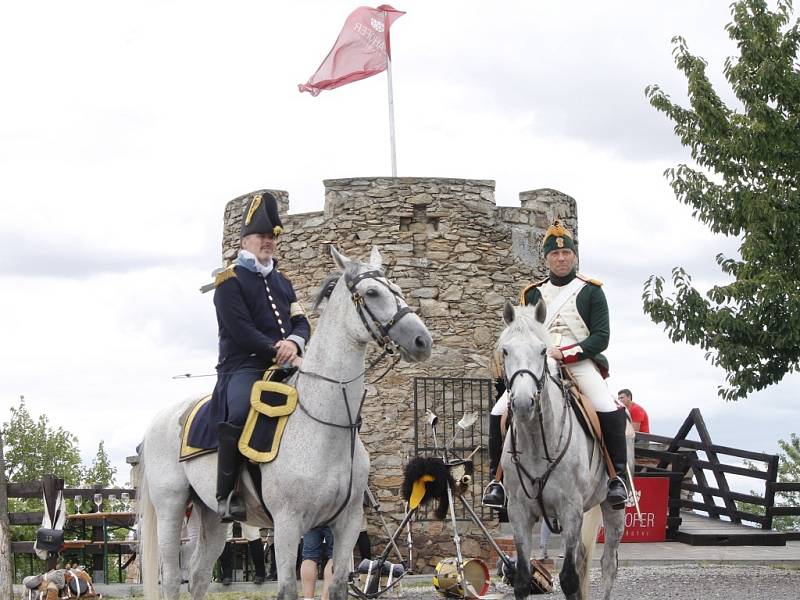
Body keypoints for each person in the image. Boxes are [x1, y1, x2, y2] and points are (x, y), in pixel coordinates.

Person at [482, 220, 629, 510]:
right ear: (546, 258)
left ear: (573, 256)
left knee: (607, 407)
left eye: (566, 254)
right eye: (554, 255)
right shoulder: (532, 293)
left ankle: (616, 477)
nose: (561, 259)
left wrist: (568, 353)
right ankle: (496, 480)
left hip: (581, 362)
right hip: (540, 362)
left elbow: (601, 337)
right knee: (499, 410)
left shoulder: (591, 291)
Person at [188, 191, 311, 522]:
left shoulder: (283, 282)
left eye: (272, 236)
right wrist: (278, 349)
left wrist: (296, 343)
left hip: (288, 364)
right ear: (244, 240)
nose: (268, 242)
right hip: (243, 367)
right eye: (261, 236)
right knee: (242, 410)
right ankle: (227, 493)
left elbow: (301, 321)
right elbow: (240, 330)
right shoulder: (228, 280)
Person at [300, 526, 333, 600]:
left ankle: (308, 598)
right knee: (335, 556)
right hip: (335, 518)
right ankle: (325, 598)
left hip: (312, 519)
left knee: (309, 556)